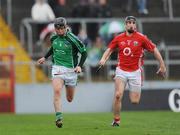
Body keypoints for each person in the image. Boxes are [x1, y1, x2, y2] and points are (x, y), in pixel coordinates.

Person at [99, 16, 166, 126]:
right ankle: (116, 120)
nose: (131, 24)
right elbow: (109, 49)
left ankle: (131, 90)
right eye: (129, 22)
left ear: (135, 25)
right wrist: (103, 59)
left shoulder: (141, 38)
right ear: (125, 25)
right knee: (118, 95)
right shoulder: (119, 38)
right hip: (121, 70)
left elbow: (154, 49)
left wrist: (162, 65)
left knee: (135, 101)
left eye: (133, 23)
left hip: (135, 72)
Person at [37, 17, 87, 128]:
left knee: (69, 99)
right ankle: (59, 118)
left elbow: (84, 52)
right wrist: (45, 57)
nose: (59, 31)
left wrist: (79, 66)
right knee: (57, 91)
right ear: (55, 28)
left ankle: (70, 87)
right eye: (57, 28)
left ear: (65, 27)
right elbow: (53, 48)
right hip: (57, 69)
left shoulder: (73, 38)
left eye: (62, 28)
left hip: (71, 71)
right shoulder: (53, 37)